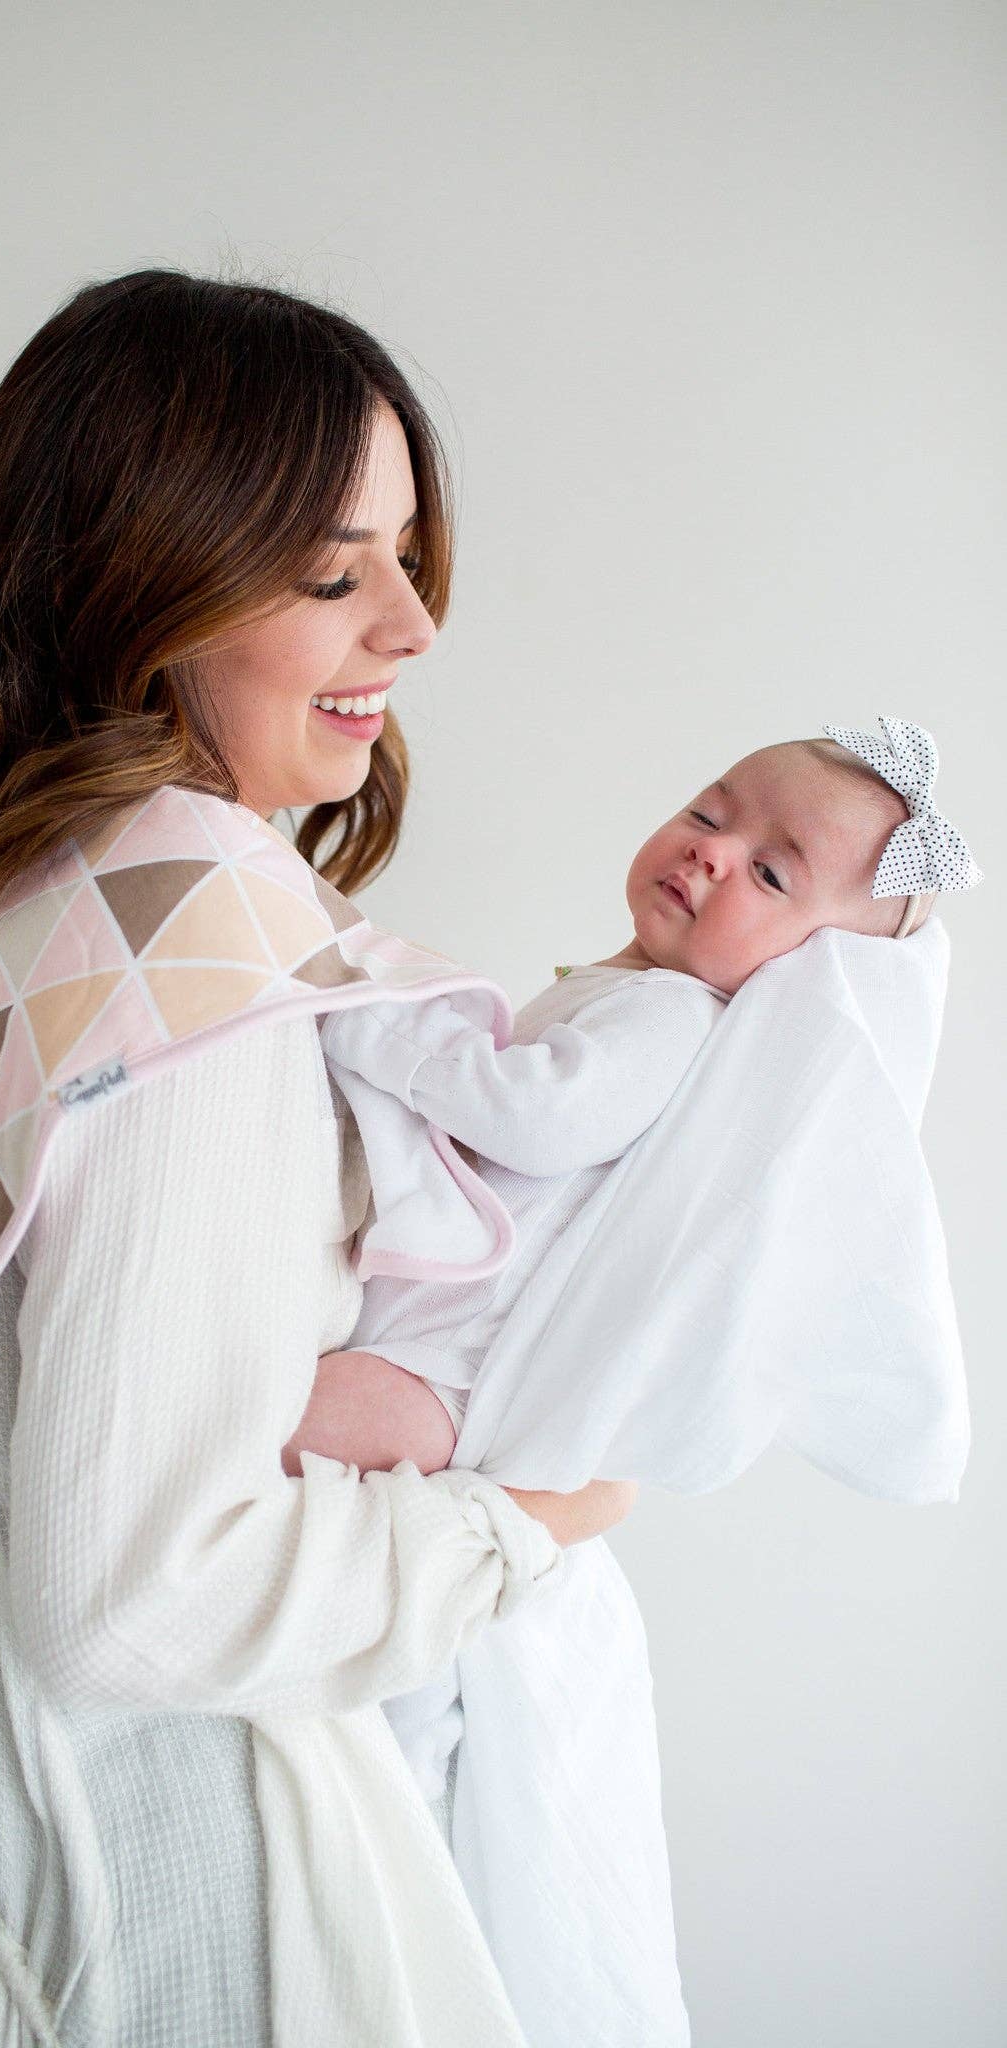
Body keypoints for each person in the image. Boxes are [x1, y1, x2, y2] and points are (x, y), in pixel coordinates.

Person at [0, 269, 635, 2048]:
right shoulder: (194, 964)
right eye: (331, 572)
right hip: (210, 1916)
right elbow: (133, 1603)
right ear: (147, 582)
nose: (413, 625)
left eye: (405, 557)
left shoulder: (19, 903)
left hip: (25, 1880)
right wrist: (521, 1523)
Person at [289, 719, 980, 2044]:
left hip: (451, 1380)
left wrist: (364, 1018)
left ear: (809, 967)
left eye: (771, 874)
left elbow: (530, 1112)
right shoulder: (631, 989)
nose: (712, 854)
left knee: (269, 1426)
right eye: (711, 810)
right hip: (429, 1351)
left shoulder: (673, 1017)